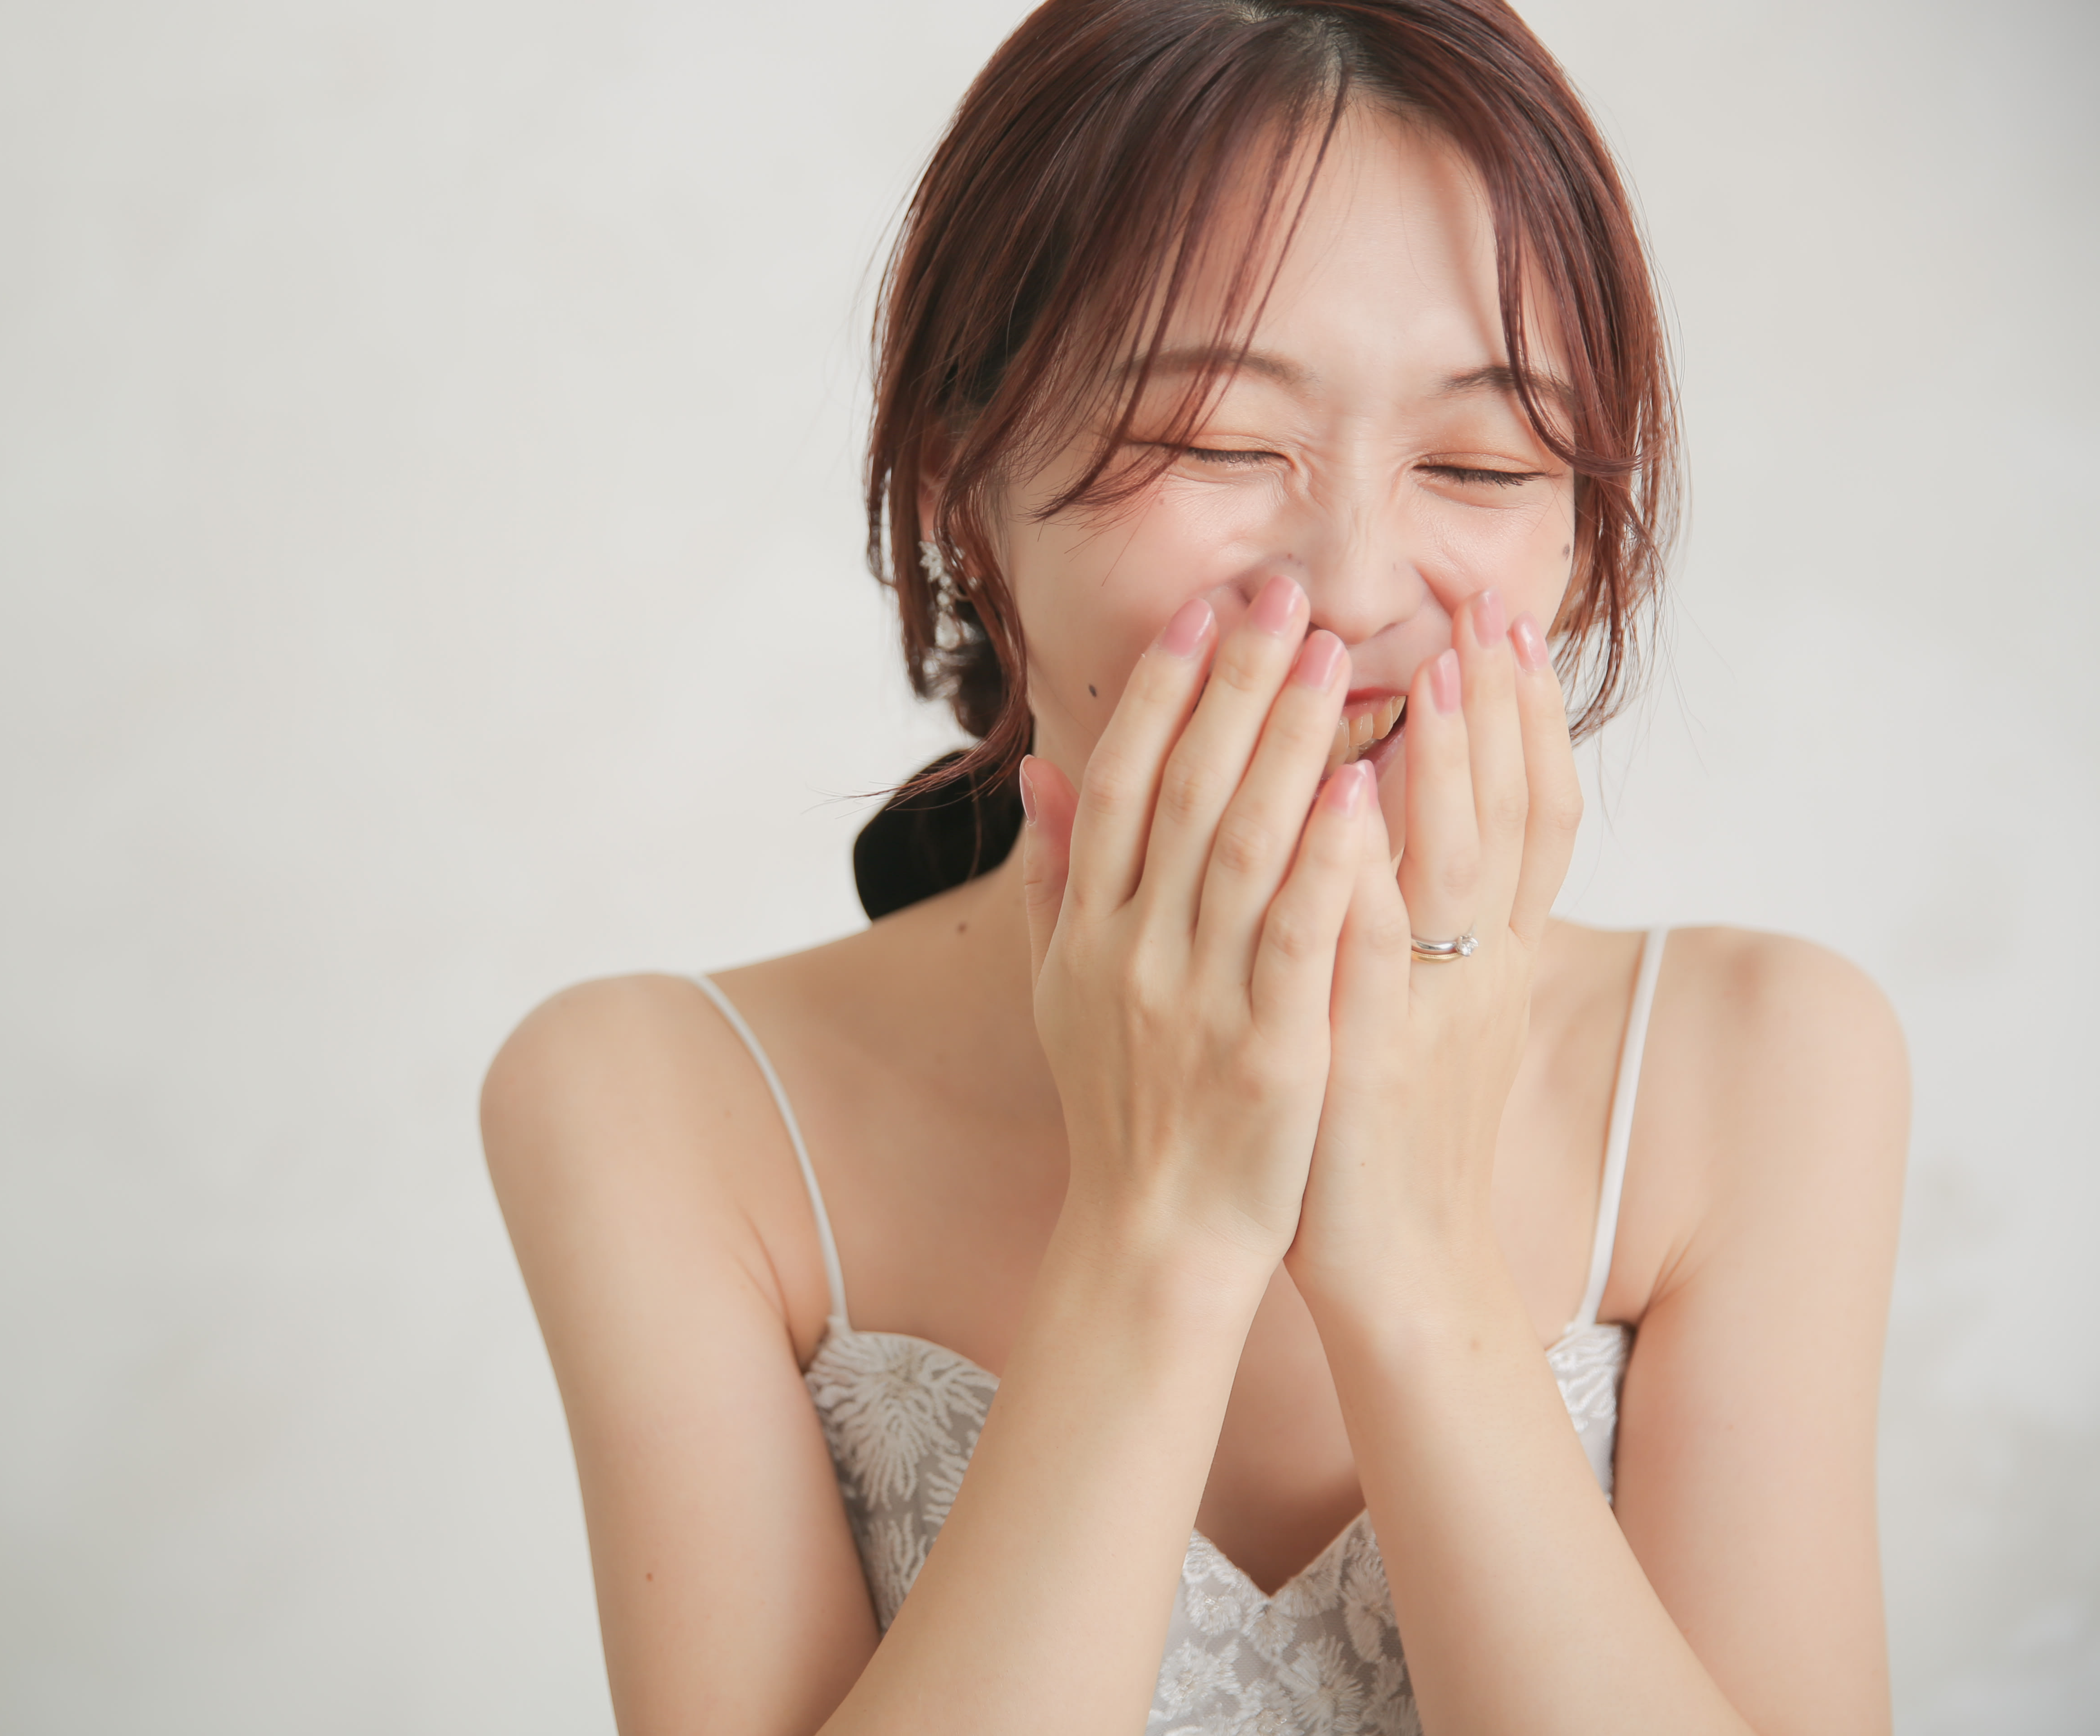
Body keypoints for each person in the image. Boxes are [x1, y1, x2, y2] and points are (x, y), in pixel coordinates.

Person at [481, 3, 1906, 1731]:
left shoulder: (1760, 1062)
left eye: (1479, 462)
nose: (1355, 587)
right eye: (1225, 444)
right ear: (960, 489)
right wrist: (1159, 1232)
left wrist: (1412, 1257)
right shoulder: (655, 1102)